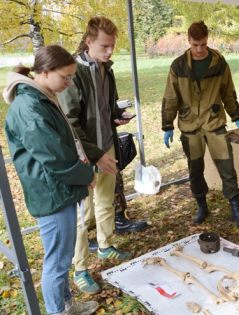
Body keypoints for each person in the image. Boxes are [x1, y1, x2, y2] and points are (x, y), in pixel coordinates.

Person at [4, 45, 98, 315]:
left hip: (57, 189)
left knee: (62, 257)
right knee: (57, 261)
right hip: (51, 193)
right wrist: (86, 175)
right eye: (65, 77)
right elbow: (54, 156)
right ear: (44, 72)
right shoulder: (29, 105)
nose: (68, 83)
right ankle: (59, 311)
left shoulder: (40, 97)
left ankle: (66, 305)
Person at [59, 16, 132, 294]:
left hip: (107, 146)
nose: (110, 51)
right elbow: (71, 122)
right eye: (104, 46)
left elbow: (106, 106)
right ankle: (80, 269)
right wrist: (95, 154)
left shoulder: (106, 69)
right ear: (88, 42)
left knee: (105, 201)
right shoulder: (74, 73)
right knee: (83, 215)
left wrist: (116, 115)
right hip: (85, 155)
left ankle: (105, 246)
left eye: (112, 46)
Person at [161, 21, 239, 229]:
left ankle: (235, 208)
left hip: (214, 123)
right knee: (195, 169)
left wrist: (236, 115)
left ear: (207, 40)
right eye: (195, 45)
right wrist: (167, 125)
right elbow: (170, 97)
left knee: (227, 167)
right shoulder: (178, 66)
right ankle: (201, 205)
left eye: (202, 44)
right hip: (190, 125)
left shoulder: (219, 63)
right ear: (188, 41)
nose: (199, 49)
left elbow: (228, 91)